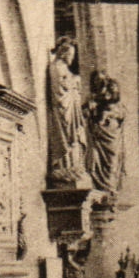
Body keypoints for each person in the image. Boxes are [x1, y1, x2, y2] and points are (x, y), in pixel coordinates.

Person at [47, 37, 90, 188]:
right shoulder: (56, 67)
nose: (72, 58)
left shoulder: (63, 68)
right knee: (67, 137)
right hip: (64, 109)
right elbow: (60, 90)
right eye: (70, 55)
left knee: (75, 138)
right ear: (64, 53)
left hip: (71, 109)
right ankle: (65, 168)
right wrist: (74, 83)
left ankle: (73, 166)